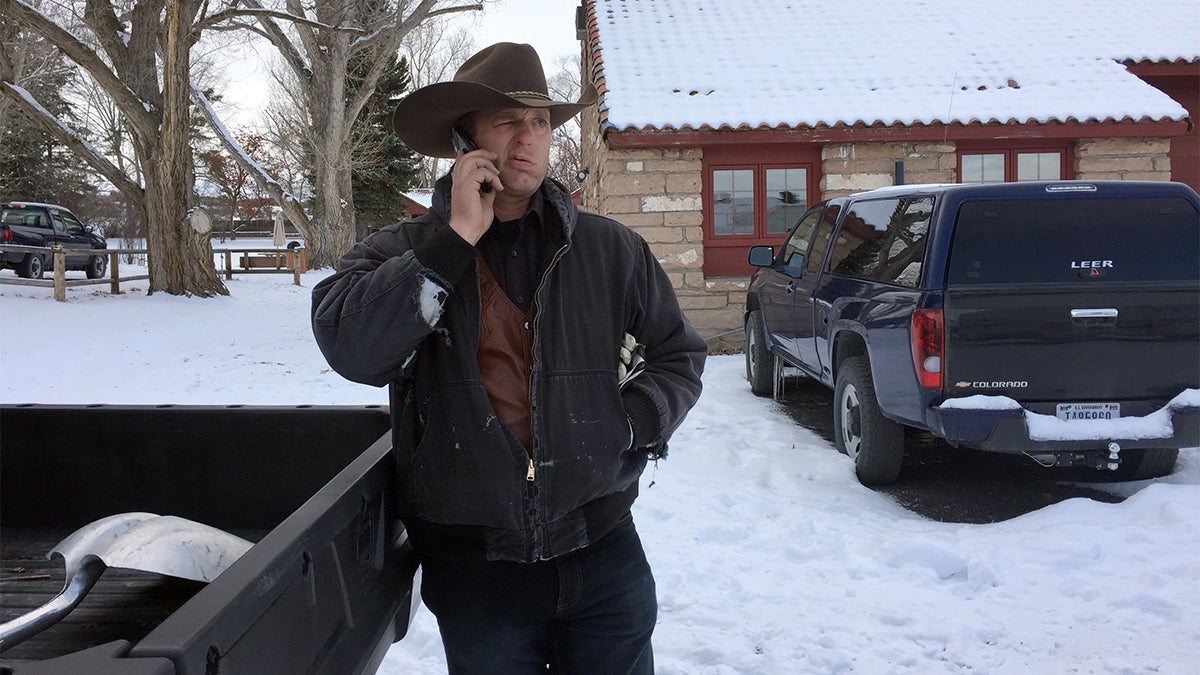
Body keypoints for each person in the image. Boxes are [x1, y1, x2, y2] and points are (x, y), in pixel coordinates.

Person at [311, 42, 706, 673]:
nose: (529, 137)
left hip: (602, 547)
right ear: (466, 138)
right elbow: (352, 349)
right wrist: (454, 241)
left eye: (541, 122)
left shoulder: (611, 250)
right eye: (507, 121)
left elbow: (678, 354)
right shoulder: (401, 250)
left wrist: (630, 423)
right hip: (476, 570)